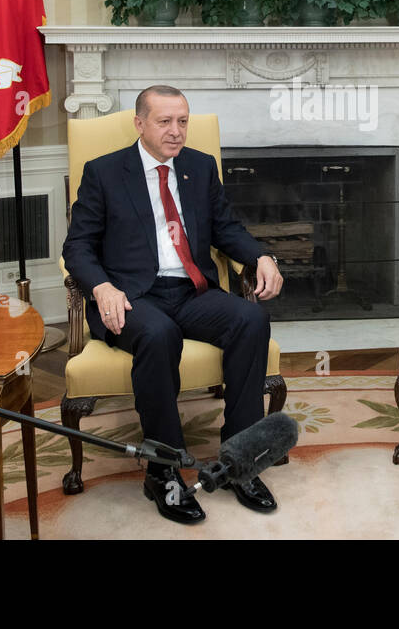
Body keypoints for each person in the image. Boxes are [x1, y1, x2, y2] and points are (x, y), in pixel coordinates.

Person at [62, 85, 284, 524]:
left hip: (190, 291)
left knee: (251, 318)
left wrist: (261, 256)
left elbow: (226, 228)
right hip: (132, 297)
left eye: (183, 121)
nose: (176, 131)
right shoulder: (104, 172)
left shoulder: (199, 168)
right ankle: (163, 469)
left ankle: (239, 459)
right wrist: (103, 288)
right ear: (139, 122)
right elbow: (78, 247)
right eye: (165, 121)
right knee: (159, 335)